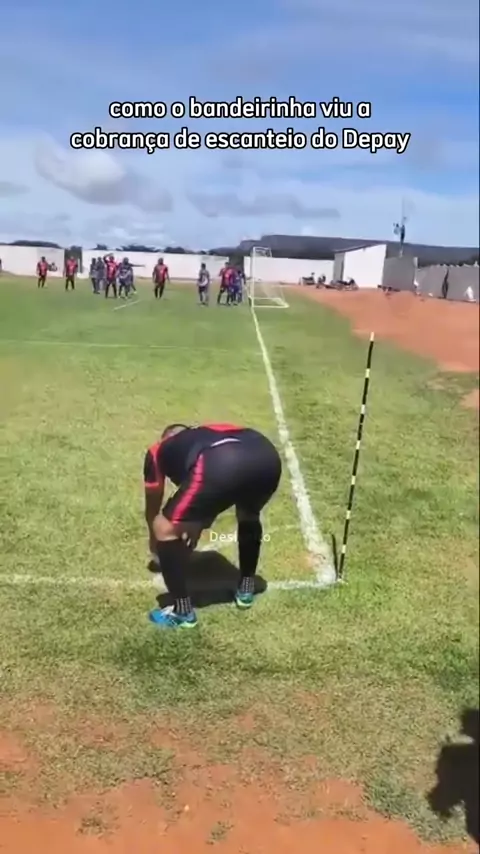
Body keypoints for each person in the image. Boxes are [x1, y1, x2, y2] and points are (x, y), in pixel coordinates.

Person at [143, 423, 282, 629]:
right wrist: (197, 523)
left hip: (220, 461)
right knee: (249, 514)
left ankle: (182, 612)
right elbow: (210, 496)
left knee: (163, 528)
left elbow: (154, 503)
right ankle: (246, 587)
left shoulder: (159, 450)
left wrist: (154, 538)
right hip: (267, 456)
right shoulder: (207, 433)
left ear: (166, 438)